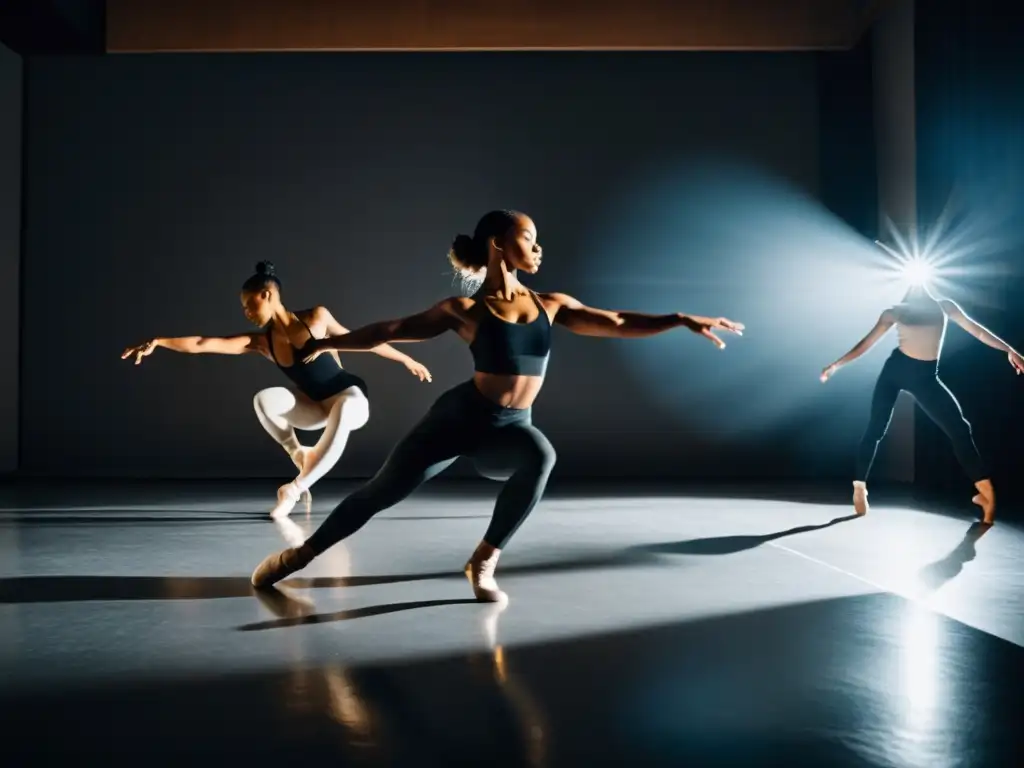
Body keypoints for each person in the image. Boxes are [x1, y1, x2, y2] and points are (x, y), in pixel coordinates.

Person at [250, 210, 744, 602]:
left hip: (510, 428)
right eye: (529, 237)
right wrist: (328, 346)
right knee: (380, 492)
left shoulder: (550, 304)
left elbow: (614, 320)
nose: (538, 246)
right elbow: (392, 330)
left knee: (541, 456)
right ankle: (299, 557)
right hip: (457, 420)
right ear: (498, 246)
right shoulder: (466, 310)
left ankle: (483, 560)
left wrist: (678, 319)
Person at [121, 261, 433, 518]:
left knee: (345, 407)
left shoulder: (316, 318)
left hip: (349, 399)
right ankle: (300, 456)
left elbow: (363, 341)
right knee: (265, 399)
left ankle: (293, 490)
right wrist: (159, 342)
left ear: (267, 295)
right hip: (313, 407)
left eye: (249, 304)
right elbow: (204, 343)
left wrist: (406, 359)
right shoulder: (262, 342)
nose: (246, 312)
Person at [820, 283, 1021, 523]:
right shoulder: (895, 312)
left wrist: (1009, 350)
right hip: (895, 371)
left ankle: (985, 493)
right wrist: (835, 365)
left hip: (926, 377)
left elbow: (977, 331)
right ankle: (859, 486)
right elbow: (865, 344)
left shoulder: (945, 306)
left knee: (960, 428)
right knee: (877, 427)